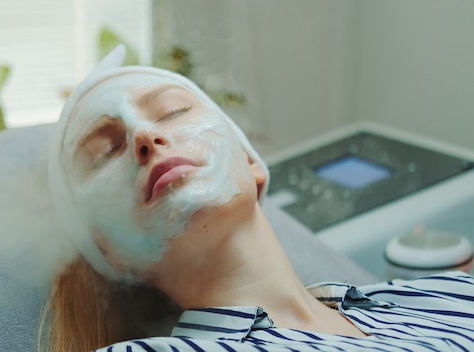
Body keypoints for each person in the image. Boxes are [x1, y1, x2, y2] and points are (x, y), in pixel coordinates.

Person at [45, 45, 474, 352]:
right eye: (106, 152)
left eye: (173, 111)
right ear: (109, 251)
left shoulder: (449, 293)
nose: (143, 134)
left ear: (251, 161)